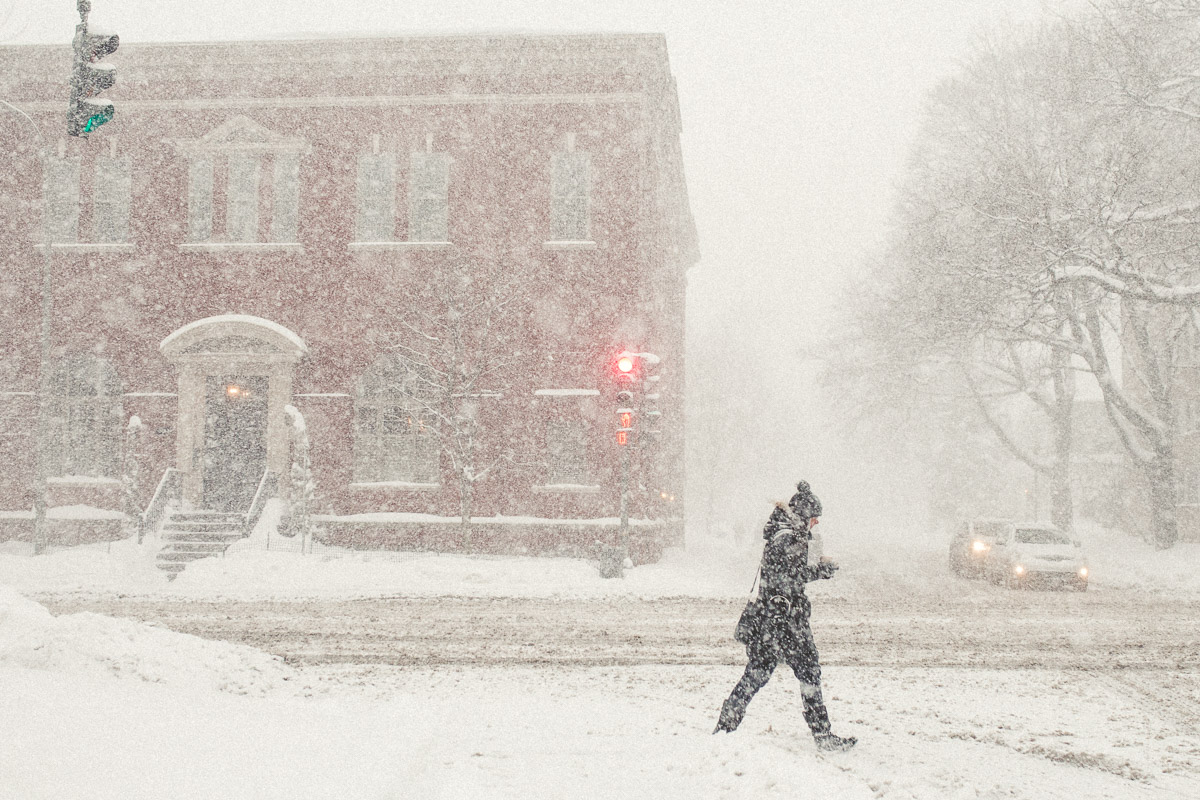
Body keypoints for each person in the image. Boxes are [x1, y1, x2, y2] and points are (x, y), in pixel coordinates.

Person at [714, 480, 856, 751]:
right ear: (803, 514)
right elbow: (788, 578)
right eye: (814, 518)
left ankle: (725, 725)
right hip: (785, 622)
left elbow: (786, 573)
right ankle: (822, 735)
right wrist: (819, 572)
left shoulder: (782, 533)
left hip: (774, 620)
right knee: (804, 672)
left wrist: (814, 568)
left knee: (760, 673)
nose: (815, 524)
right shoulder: (789, 537)